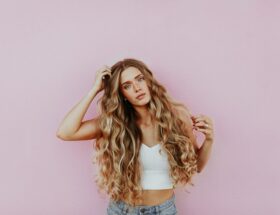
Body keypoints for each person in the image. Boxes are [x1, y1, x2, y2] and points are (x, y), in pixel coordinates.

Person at [56, 58, 214, 215]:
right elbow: (65, 132)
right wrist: (95, 90)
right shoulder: (114, 124)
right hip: (122, 210)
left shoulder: (178, 117)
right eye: (127, 86)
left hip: (164, 211)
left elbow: (197, 166)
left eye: (140, 79)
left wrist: (209, 140)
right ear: (122, 94)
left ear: (148, 81)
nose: (137, 88)